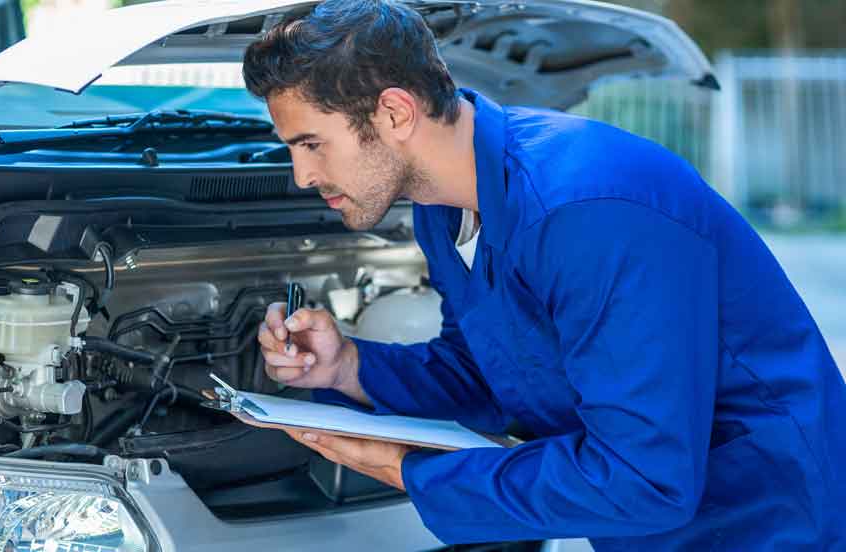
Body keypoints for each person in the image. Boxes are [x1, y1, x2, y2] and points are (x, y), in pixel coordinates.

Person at [244, 1, 846, 549]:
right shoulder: (442, 211)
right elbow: (494, 375)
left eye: (312, 144)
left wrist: (407, 469)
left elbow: (645, 480)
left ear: (395, 112)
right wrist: (347, 367)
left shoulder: (587, 209)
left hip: (771, 520)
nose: (301, 175)